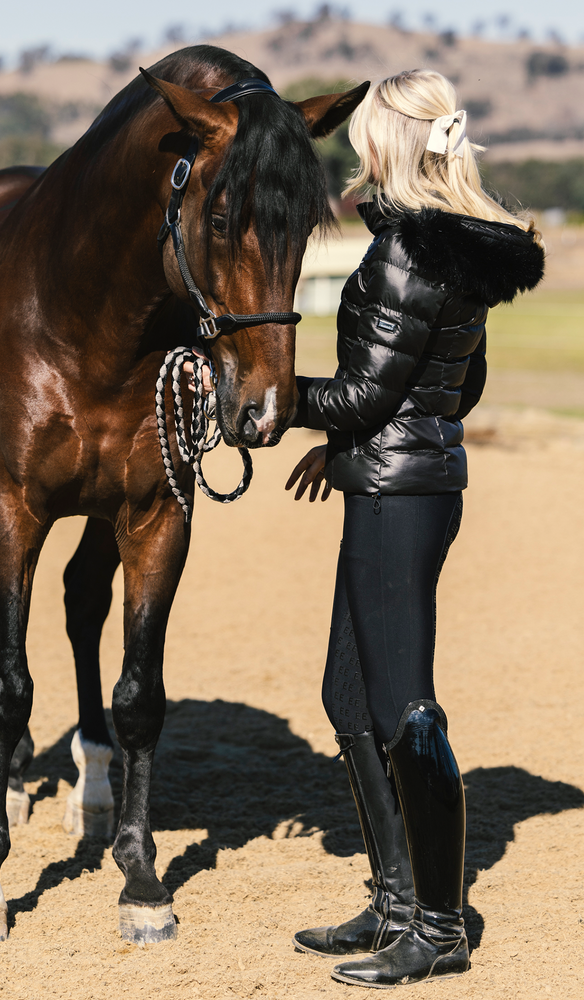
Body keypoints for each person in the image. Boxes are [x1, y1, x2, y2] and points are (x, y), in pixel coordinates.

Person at [285, 69, 544, 988]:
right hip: (408, 482)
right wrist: (352, 440)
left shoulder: (408, 257)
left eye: (365, 137)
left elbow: (363, 391)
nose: (355, 152)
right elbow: (455, 387)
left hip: (401, 497)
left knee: (402, 706)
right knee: (348, 699)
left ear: (392, 141)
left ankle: (438, 930)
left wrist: (271, 404)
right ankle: (396, 906)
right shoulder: (451, 250)